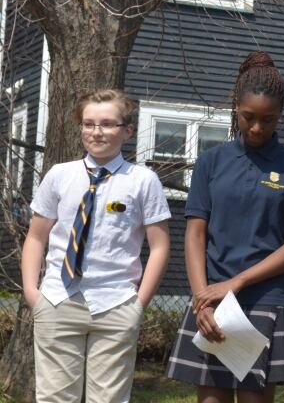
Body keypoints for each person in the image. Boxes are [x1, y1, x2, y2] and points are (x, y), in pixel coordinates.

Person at [166, 51, 284, 403]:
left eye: (269, 120)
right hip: (212, 302)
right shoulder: (211, 161)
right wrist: (202, 300)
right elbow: (195, 234)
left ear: (280, 116)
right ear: (236, 106)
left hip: (265, 300)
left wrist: (235, 283)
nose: (257, 128)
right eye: (249, 117)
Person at [21, 89, 171, 403]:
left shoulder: (142, 181)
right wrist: (32, 293)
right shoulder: (59, 176)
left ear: (127, 131)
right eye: (88, 124)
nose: (96, 131)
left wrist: (138, 303)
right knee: (55, 398)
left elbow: (159, 246)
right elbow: (36, 237)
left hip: (116, 304)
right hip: (58, 300)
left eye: (107, 124)